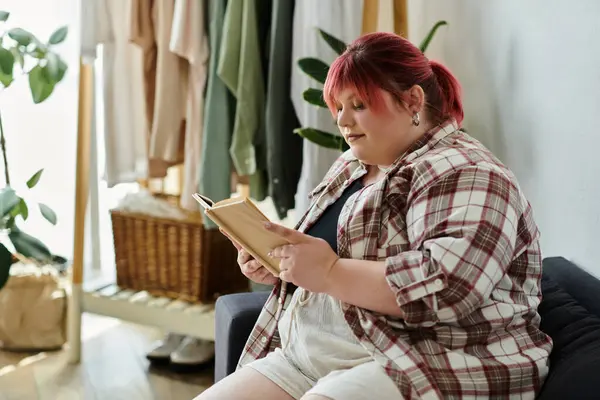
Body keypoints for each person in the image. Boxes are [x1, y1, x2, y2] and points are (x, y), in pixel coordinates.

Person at [196, 32, 553, 400]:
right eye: (338, 106)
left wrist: (329, 273)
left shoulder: (469, 172)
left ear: (413, 100)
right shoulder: (355, 163)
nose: (342, 120)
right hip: (309, 356)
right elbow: (336, 255)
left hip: (422, 358)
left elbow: (447, 287)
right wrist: (280, 260)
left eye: (359, 105)